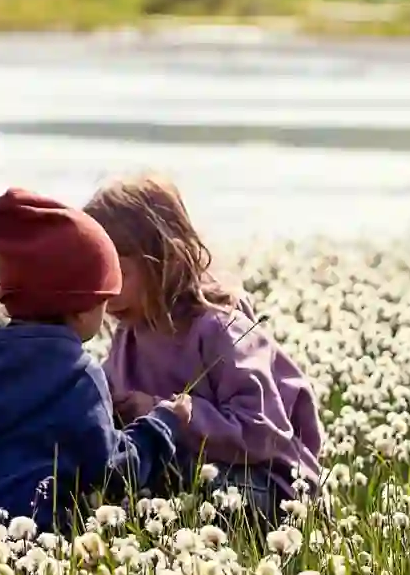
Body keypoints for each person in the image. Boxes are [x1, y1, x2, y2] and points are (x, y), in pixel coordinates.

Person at [0, 187, 191, 532]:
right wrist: (161, 426)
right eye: (104, 298)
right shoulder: (76, 377)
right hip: (19, 543)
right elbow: (110, 473)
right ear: (84, 306)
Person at [85, 174, 323, 525]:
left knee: (182, 489)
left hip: (272, 490)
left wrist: (172, 417)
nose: (106, 289)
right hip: (193, 476)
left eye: (117, 271)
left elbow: (262, 430)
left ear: (162, 258)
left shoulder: (220, 329)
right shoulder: (129, 336)